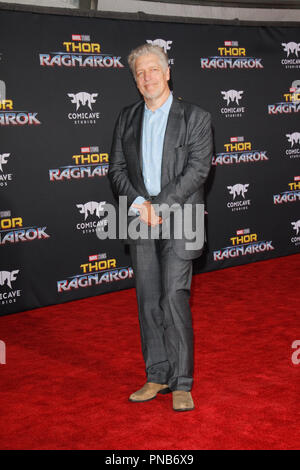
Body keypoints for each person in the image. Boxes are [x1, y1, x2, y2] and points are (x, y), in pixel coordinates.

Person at [108, 44, 213, 412]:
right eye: (140, 73)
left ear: (167, 72)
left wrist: (160, 206)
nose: (147, 77)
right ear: (135, 81)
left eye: (153, 69)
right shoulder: (126, 118)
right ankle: (156, 374)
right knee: (148, 299)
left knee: (173, 297)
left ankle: (182, 382)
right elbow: (116, 170)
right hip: (139, 217)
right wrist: (140, 205)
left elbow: (198, 170)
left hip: (180, 215)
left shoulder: (196, 117)